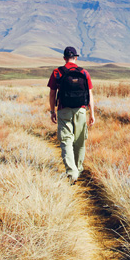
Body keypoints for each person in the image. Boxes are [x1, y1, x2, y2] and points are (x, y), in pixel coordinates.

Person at [47, 46, 95, 183]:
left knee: (66, 141)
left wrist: (52, 111)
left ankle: (71, 172)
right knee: (79, 141)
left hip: (64, 109)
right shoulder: (84, 73)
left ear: (64, 58)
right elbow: (90, 95)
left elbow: (52, 94)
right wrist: (92, 113)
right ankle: (78, 169)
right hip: (80, 110)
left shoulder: (57, 72)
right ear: (76, 58)